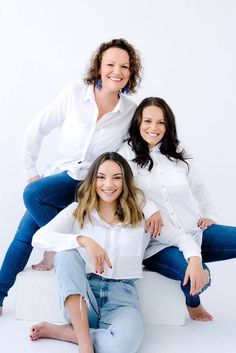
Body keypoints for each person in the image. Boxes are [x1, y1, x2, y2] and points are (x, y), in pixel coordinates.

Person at [0, 38, 143, 315]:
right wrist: (31, 173)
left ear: (131, 73)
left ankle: (56, 246)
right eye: (110, 64)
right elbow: (35, 129)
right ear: (99, 67)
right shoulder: (75, 93)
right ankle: (60, 247)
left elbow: (133, 153)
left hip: (92, 184)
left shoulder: (129, 111)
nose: (117, 71)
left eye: (124, 66)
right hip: (60, 177)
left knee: (28, 223)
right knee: (28, 217)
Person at [118, 96, 236, 322]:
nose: (154, 128)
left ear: (168, 125)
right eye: (148, 121)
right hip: (157, 243)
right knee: (201, 278)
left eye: (161, 122)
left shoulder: (177, 151)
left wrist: (210, 215)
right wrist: (150, 208)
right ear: (138, 123)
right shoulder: (125, 154)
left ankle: (195, 259)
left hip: (194, 230)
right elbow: (127, 191)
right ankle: (193, 302)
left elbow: (199, 187)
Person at [29, 152, 157, 353]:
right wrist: (83, 240)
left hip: (122, 298)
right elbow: (39, 237)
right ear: (93, 180)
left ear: (125, 182)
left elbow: (175, 236)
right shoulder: (78, 210)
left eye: (117, 178)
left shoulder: (141, 215)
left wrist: (193, 257)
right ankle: (85, 343)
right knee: (66, 254)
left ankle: (68, 334)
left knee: (122, 347)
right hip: (84, 298)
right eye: (101, 177)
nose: (109, 184)